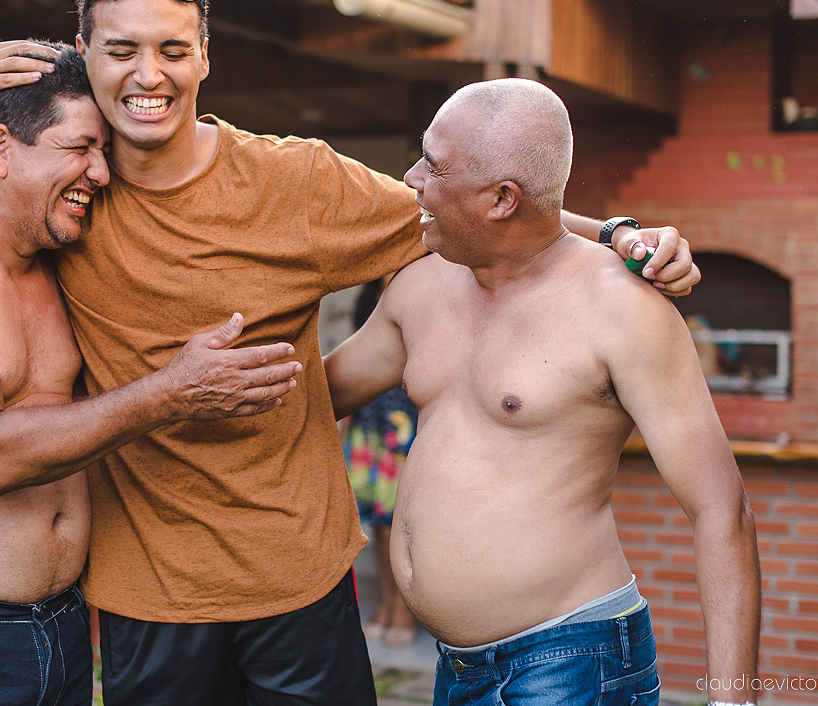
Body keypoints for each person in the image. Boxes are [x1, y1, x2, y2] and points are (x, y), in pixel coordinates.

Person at [0, 0, 702, 706]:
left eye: (173, 49)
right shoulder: (65, 184)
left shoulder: (298, 182)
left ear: (206, 57)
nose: (149, 74)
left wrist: (621, 235)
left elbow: (477, 210)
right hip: (146, 595)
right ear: (87, 60)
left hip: (298, 580)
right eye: (123, 50)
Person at [0, 45, 301, 706]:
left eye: (104, 150)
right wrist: (170, 391)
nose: (102, 172)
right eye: (81, 146)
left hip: (63, 623)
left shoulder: (49, 249)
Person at [324, 78, 760, 706]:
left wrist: (733, 702)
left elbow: (723, 510)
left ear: (501, 199)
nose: (412, 177)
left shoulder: (621, 307)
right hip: (457, 670)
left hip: (568, 662)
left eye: (434, 165)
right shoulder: (422, 283)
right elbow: (319, 395)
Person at [341, 279, 420, 646]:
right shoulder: (372, 290)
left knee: (397, 525)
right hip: (369, 421)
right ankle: (387, 605)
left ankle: (403, 610)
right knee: (375, 521)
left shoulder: (423, 282)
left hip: (403, 421)